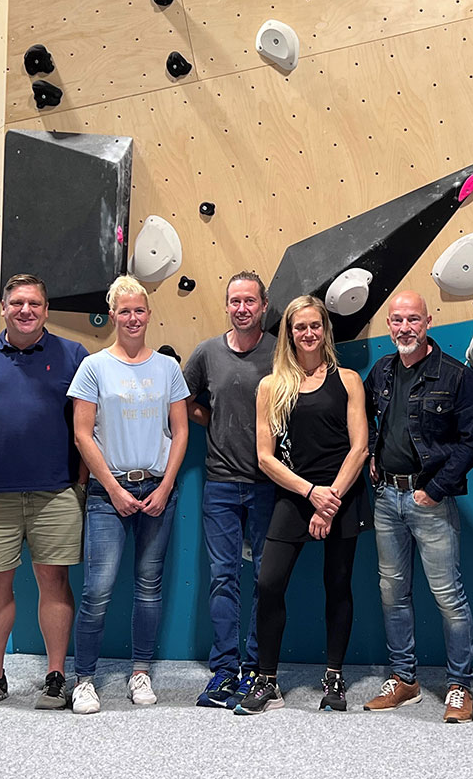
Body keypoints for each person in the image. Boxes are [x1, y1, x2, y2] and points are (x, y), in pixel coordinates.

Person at [0, 274, 88, 709]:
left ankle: (56, 677)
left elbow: (88, 427)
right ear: (3, 306)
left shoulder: (74, 355)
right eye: (18, 302)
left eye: (35, 304)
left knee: (54, 580)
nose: (27, 310)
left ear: (46, 309)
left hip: (57, 494)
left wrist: (79, 485)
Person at [234, 295, 370, 714]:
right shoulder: (272, 385)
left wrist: (331, 500)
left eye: (315, 326)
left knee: (338, 585)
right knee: (269, 583)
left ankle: (333, 675)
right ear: (289, 334)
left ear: (325, 330)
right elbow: (264, 457)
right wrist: (312, 494)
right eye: (299, 327)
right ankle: (268, 680)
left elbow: (361, 447)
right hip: (295, 496)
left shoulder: (348, 380)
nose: (308, 334)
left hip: (342, 496)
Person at [66, 275, 190, 713]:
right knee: (97, 590)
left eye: (139, 310)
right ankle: (83, 679)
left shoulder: (168, 368)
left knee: (148, 587)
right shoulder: (94, 367)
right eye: (125, 311)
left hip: (158, 490)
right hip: (107, 492)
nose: (133, 318)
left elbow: (180, 431)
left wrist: (168, 485)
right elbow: (83, 434)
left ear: (149, 315)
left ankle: (140, 672)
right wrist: (114, 488)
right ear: (113, 314)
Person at [362, 291, 473, 723]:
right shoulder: (382, 371)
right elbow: (371, 422)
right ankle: (404, 680)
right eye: (396, 320)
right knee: (392, 593)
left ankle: (459, 686)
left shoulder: (456, 376)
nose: (404, 328)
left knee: (448, 596)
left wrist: (436, 488)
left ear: (428, 322)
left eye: (413, 319)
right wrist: (374, 458)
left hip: (428, 499)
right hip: (385, 499)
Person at [183, 271, 276, 709]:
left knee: (264, 578)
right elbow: (185, 402)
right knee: (224, 579)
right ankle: (225, 668)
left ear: (263, 305)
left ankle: (258, 668)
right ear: (227, 306)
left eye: (250, 301)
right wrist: (212, 419)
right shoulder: (206, 353)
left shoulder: (281, 351)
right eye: (235, 301)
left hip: (269, 484)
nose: (242, 308)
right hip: (220, 482)